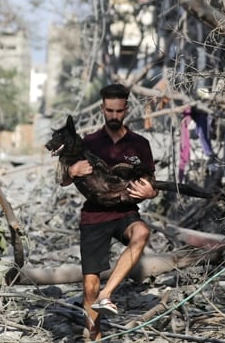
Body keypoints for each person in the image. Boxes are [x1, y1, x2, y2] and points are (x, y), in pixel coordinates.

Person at [62, 84, 158, 340]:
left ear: (126, 109)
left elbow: (151, 183)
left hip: (125, 213)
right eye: (109, 111)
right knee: (89, 287)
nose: (114, 116)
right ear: (102, 109)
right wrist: (72, 172)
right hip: (94, 216)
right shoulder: (88, 143)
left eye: (118, 111)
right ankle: (95, 335)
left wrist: (151, 193)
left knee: (142, 232)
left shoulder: (140, 144)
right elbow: (62, 178)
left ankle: (108, 294)